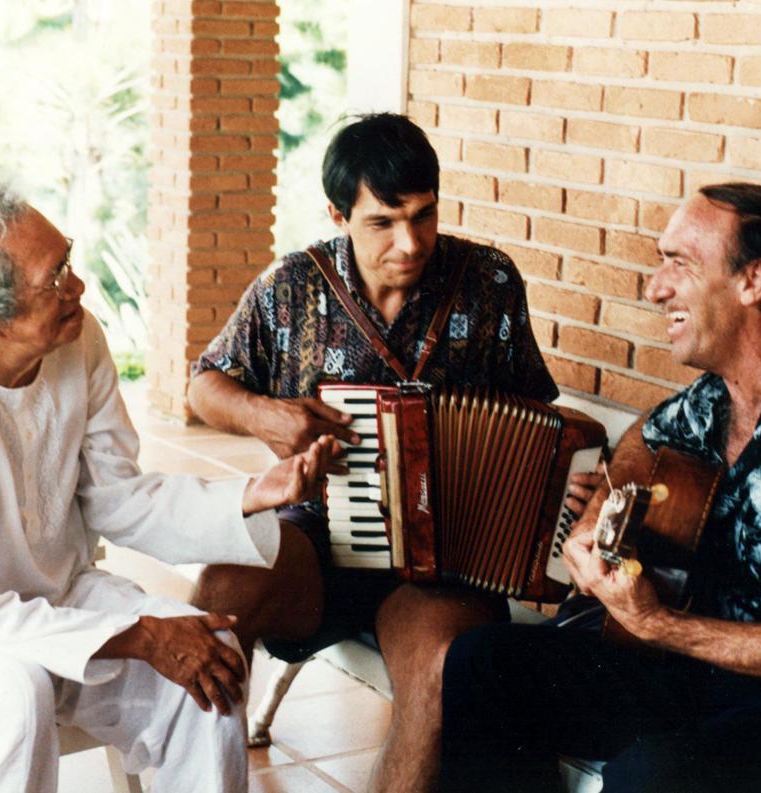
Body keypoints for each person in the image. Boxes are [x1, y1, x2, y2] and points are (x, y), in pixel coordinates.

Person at [0, 181, 338, 793]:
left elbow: (117, 498)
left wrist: (252, 492)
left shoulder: (78, 338)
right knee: (14, 688)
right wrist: (139, 636)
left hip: (57, 602)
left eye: (68, 259)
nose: (78, 287)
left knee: (214, 653)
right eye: (53, 277)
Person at [439, 183, 761, 793]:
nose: (656, 287)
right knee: (484, 665)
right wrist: (603, 509)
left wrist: (660, 626)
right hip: (723, 677)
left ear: (753, 281)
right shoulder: (713, 399)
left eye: (679, 263)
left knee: (653, 776)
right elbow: (645, 436)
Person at [187, 112, 559, 792]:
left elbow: (536, 414)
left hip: (443, 557)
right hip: (317, 539)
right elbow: (205, 383)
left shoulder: (488, 281)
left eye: (423, 215)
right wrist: (263, 413)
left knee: (443, 669)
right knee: (217, 595)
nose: (410, 242)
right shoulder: (292, 286)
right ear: (338, 213)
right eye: (382, 222)